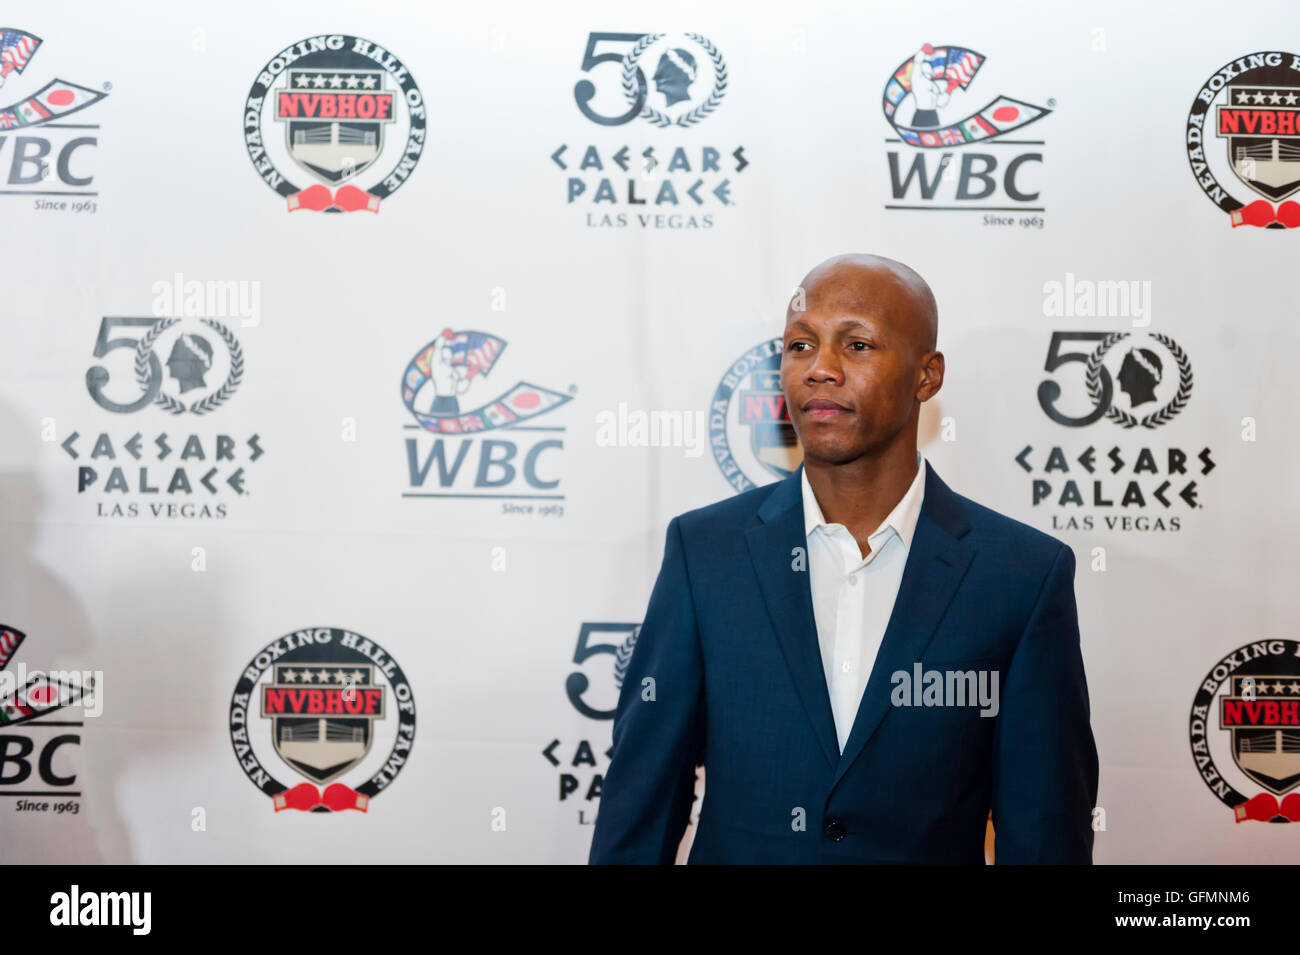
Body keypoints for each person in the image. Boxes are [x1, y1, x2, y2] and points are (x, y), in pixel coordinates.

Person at [589, 253, 1099, 864]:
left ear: (927, 376)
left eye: (857, 345)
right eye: (800, 345)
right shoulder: (706, 555)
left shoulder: (1021, 575)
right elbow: (642, 803)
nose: (820, 370)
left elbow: (1045, 830)